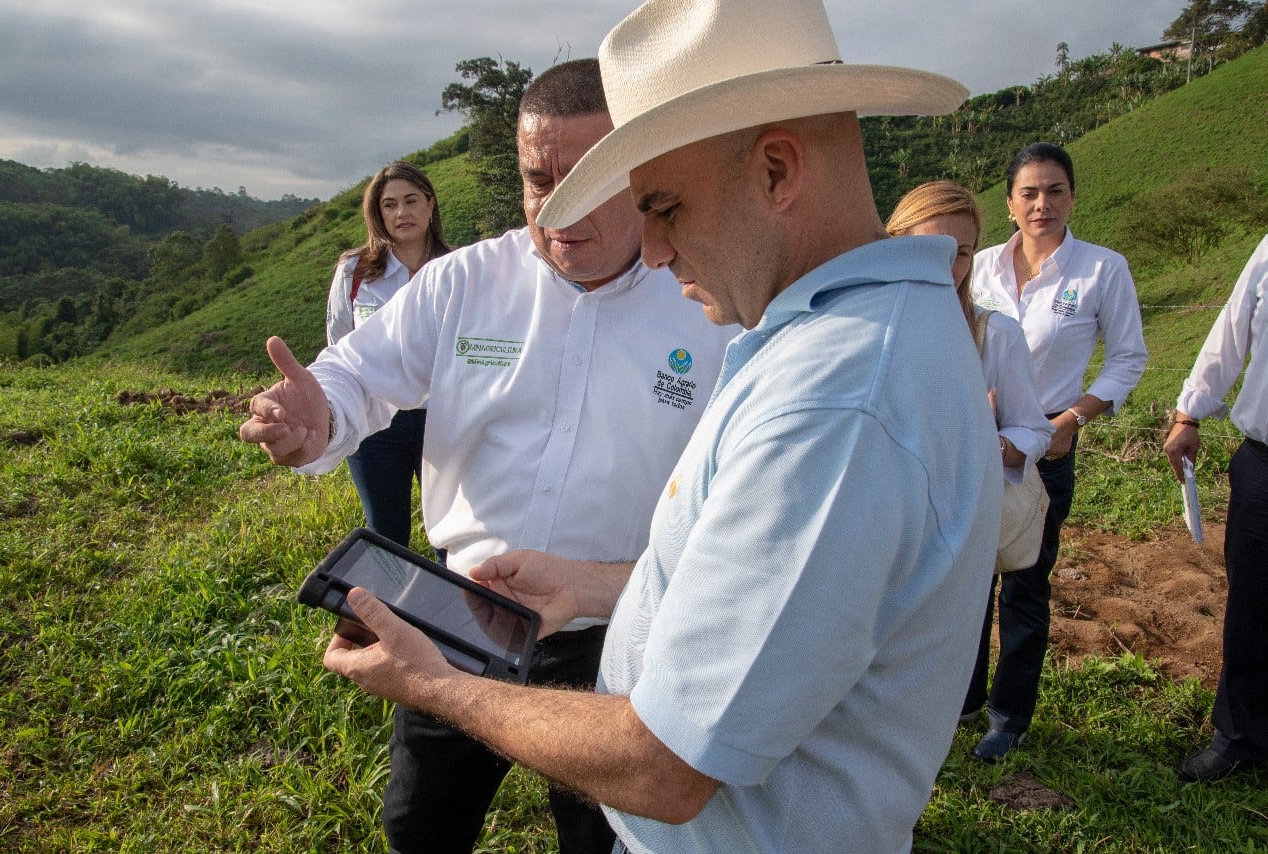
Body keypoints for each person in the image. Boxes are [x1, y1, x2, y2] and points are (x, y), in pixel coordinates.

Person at [311, 1, 1003, 851]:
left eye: (665, 205)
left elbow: (665, 769)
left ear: (778, 172)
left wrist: (435, 684)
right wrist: (598, 588)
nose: (659, 250)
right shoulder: (853, 340)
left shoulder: (835, 404)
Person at [239, 59, 736, 854]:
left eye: (588, 180)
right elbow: (358, 375)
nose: (559, 210)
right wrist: (314, 414)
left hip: (622, 626)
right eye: (539, 180)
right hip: (458, 614)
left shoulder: (709, 305)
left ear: (644, 173)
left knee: (604, 836)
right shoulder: (464, 281)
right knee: (421, 822)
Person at [969, 142, 1148, 761]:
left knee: (1024, 576)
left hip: (1044, 446)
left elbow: (1128, 358)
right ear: (1010, 203)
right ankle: (960, 699)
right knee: (964, 577)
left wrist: (1074, 417)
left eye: (1055, 191)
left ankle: (1008, 714)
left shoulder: (1100, 270)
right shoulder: (981, 266)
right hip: (973, 445)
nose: (1042, 203)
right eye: (1029, 192)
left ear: (1073, 196)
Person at [888, 181, 1054, 727]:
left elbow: (1033, 428)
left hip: (959, 515)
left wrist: (994, 441)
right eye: (932, 247)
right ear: (897, 241)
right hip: (887, 513)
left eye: (962, 252)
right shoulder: (871, 329)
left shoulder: (993, 334)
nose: (949, 265)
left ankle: (961, 715)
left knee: (951, 628)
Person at [1163, 234, 1268, 783]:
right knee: (1251, 603)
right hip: (1265, 465)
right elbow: (1231, 331)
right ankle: (1240, 737)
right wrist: (1189, 415)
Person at [325, 161, 451, 548]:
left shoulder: (459, 270)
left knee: (452, 536)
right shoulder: (355, 272)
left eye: (411, 201)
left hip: (446, 421)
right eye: (389, 205)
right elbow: (339, 343)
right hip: (377, 423)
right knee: (386, 534)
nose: (402, 213)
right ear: (378, 215)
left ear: (430, 205)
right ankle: (388, 610)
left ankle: (450, 609)